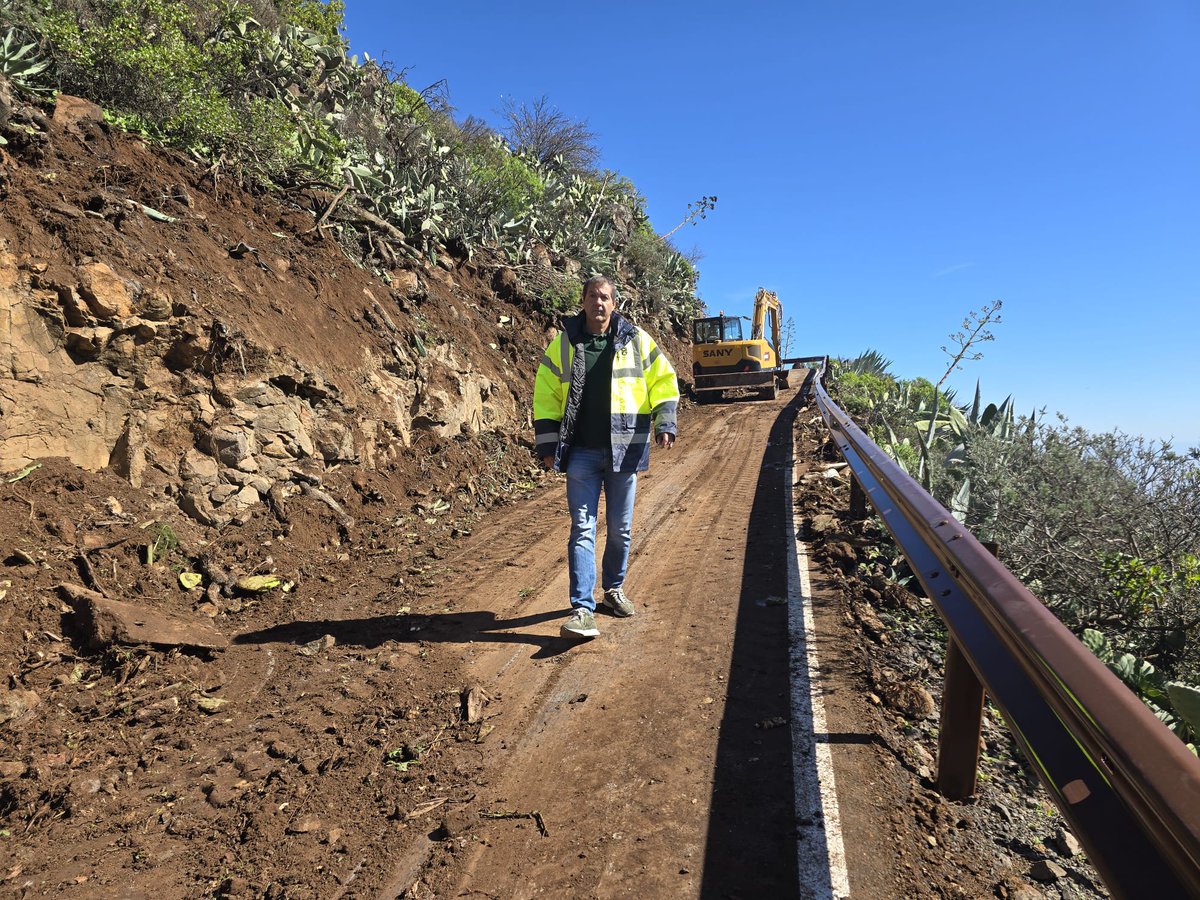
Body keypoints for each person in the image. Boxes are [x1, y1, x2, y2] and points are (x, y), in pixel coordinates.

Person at [533, 274, 680, 639]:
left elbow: (663, 379)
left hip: (624, 450)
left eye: (606, 298)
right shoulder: (564, 344)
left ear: (614, 304)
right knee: (582, 529)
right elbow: (546, 394)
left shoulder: (635, 340)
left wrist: (666, 421)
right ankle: (582, 610)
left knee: (620, 530)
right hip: (581, 452)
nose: (599, 303)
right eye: (593, 297)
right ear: (582, 301)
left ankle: (613, 590)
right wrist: (548, 446)